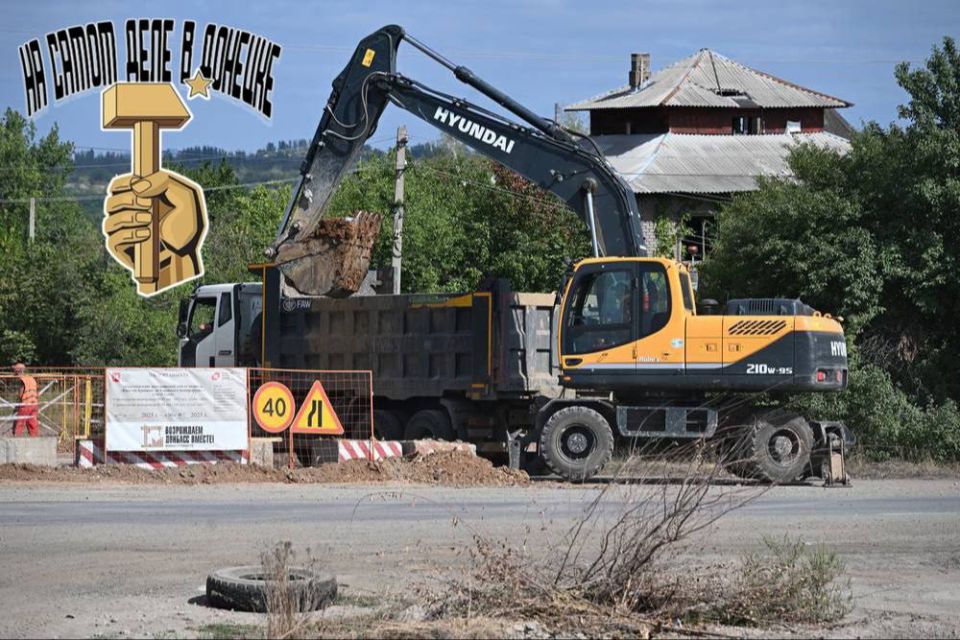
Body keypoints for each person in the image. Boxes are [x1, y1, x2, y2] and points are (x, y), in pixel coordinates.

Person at [12, 363, 39, 437]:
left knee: (20, 422)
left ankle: (16, 439)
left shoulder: (22, 380)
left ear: (17, 371)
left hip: (26, 404)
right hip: (34, 403)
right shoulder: (31, 378)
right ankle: (34, 439)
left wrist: (19, 401)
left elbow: (21, 393)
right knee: (32, 423)